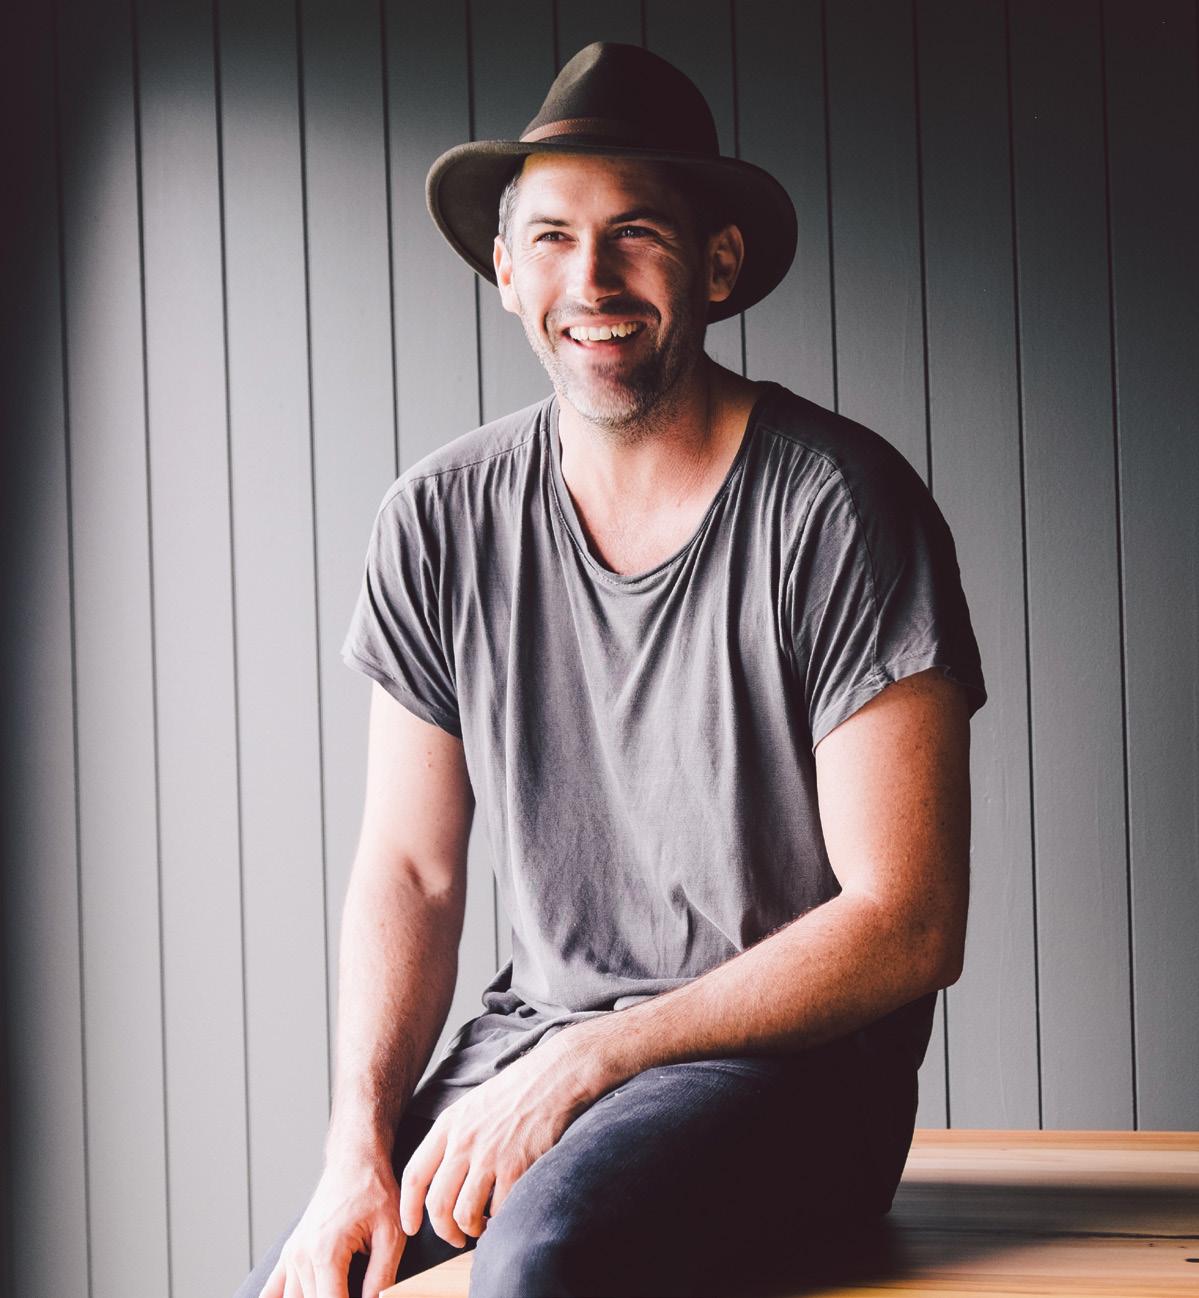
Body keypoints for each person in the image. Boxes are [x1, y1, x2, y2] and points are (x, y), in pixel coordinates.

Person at [237, 41, 987, 1298]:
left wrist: (597, 1058)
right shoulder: (437, 520)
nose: (590, 280)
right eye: (549, 236)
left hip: (789, 1070)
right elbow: (411, 870)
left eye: (634, 232)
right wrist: (353, 1145)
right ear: (503, 268)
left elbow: (904, 918)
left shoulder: (839, 508)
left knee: (542, 1266)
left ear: (716, 263)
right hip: (532, 1044)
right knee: (307, 1282)